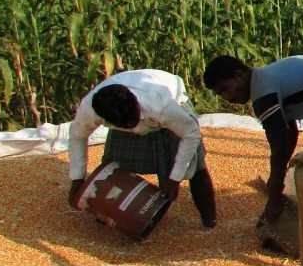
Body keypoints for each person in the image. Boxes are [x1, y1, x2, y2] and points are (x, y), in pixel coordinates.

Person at [66, 69, 217, 228]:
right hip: (131, 114)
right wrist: (77, 179)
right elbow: (77, 137)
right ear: (107, 120)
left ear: (137, 104)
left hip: (171, 105)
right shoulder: (90, 110)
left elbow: (191, 135)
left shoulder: (163, 105)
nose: (132, 126)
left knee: (196, 167)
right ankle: (112, 217)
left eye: (133, 119)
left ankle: (209, 221)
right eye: (125, 124)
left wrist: (175, 178)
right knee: (112, 170)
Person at [204, 54, 303, 224]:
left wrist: (275, 190)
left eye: (225, 89)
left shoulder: (262, 92)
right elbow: (289, 131)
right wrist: (280, 174)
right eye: (220, 94)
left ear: (239, 74)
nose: (226, 97)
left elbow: (279, 143)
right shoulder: (263, 79)